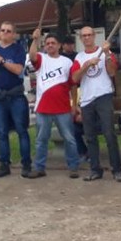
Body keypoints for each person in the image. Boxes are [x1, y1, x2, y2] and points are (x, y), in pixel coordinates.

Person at [71, 26, 121, 182]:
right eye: (84, 36)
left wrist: (107, 54)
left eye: (89, 35)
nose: (87, 38)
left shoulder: (105, 52)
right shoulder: (79, 57)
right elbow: (74, 78)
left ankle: (117, 170)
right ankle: (95, 170)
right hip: (87, 100)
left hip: (103, 96)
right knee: (90, 137)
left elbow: (112, 72)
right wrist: (86, 65)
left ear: (94, 36)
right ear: (81, 38)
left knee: (109, 134)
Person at [27, 28, 80, 179]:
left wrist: (74, 104)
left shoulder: (67, 62)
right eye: (47, 43)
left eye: (53, 43)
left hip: (63, 108)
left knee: (69, 139)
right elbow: (32, 55)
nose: (50, 45)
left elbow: (73, 85)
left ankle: (73, 167)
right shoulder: (41, 58)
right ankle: (39, 168)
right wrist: (35, 39)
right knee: (41, 140)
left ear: (59, 45)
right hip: (43, 108)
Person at [0, 21, 32, 178]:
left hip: (15, 96)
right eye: (2, 30)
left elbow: (18, 70)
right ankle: (4, 164)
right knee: (1, 133)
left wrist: (0, 60)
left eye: (8, 31)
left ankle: (26, 164)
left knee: (22, 130)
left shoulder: (18, 49)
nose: (4, 33)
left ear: (13, 34)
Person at [61, 35, 89, 162]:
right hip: (69, 91)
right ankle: (82, 152)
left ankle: (89, 153)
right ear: (63, 45)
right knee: (71, 126)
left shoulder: (78, 56)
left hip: (81, 89)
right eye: (67, 44)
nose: (70, 46)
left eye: (72, 43)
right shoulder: (61, 58)